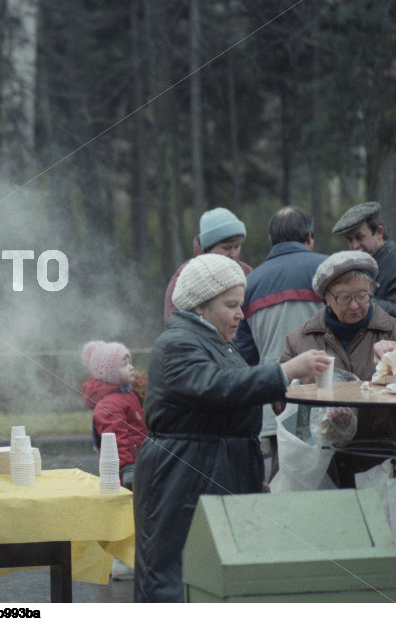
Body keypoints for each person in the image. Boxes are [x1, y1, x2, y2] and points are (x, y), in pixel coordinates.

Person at [134, 254, 328, 602]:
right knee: (177, 580)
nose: (241, 314)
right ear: (200, 307)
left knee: (218, 578)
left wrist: (251, 478)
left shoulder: (215, 341)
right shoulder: (178, 343)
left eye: (241, 304)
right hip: (182, 478)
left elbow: (233, 397)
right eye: (231, 305)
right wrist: (285, 371)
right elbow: (218, 387)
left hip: (210, 472)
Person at [280, 251, 396, 487]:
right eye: (344, 297)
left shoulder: (392, 332)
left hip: (382, 463)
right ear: (327, 298)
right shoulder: (300, 340)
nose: (355, 305)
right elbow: (280, 408)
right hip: (322, 469)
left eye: (363, 296)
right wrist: (301, 384)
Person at [235, 206, 328, 475]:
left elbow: (245, 356)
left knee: (283, 480)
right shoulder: (328, 272)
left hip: (273, 402)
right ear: (309, 237)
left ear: (272, 240)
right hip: (325, 398)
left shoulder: (249, 284)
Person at [163, 207, 252, 321]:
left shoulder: (246, 272)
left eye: (237, 246)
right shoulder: (185, 276)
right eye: (227, 248)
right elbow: (173, 322)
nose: (234, 253)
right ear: (208, 248)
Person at [80, 341, 145, 490]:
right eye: (124, 365)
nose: (131, 367)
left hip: (138, 466)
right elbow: (114, 439)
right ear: (109, 373)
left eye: (130, 363)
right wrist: (126, 467)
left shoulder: (126, 394)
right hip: (125, 474)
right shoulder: (109, 405)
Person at [332, 202, 396, 316]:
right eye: (350, 240)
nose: (354, 246)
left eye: (360, 237)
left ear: (379, 233)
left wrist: (358, 301)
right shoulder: (359, 265)